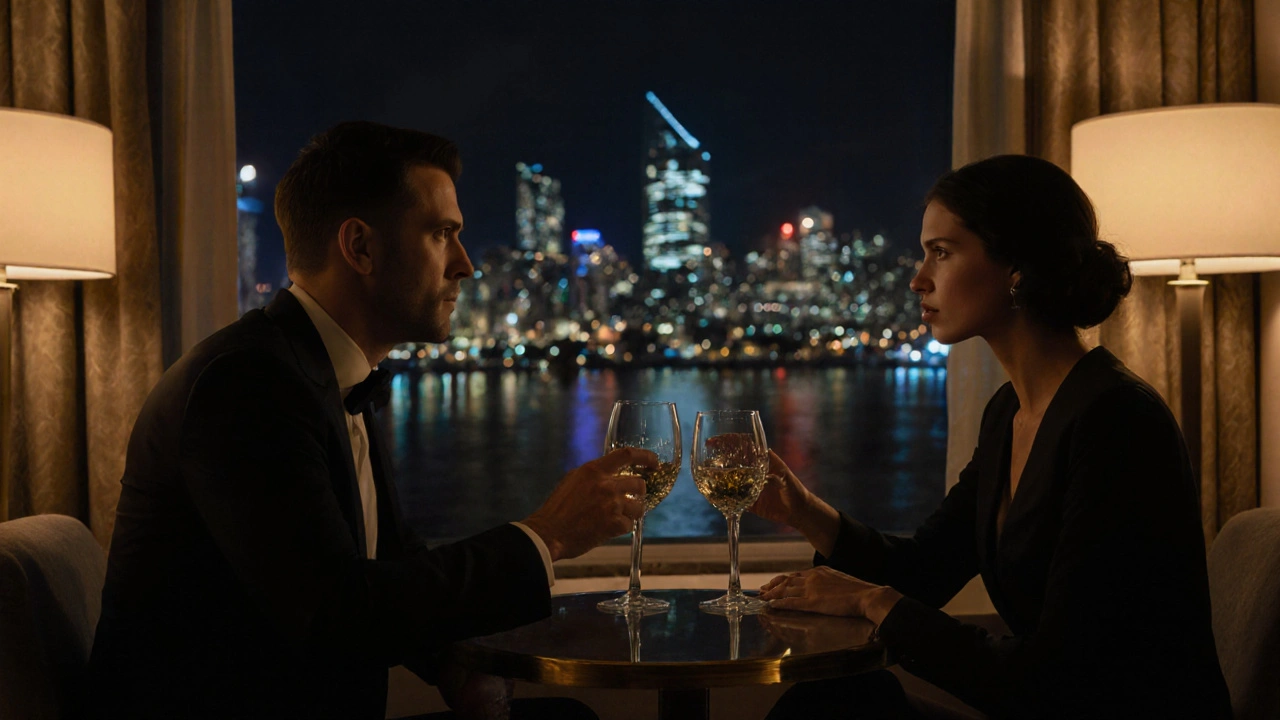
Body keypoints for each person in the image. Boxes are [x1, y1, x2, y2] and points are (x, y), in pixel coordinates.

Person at [88, 122, 651, 719]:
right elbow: (334, 614)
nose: (464, 265)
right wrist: (548, 534)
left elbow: (389, 563)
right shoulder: (246, 385)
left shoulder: (319, 372)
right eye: (442, 234)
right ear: (359, 247)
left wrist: (452, 663)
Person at [753, 155, 1232, 719]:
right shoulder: (1008, 413)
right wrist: (804, 510)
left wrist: (872, 599)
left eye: (943, 252)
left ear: (1017, 268)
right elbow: (923, 571)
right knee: (834, 703)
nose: (917, 278)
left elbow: (1059, 679)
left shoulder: (1118, 420)